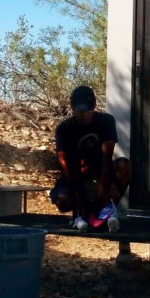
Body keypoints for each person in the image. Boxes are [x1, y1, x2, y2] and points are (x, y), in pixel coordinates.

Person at [50, 85, 130, 233]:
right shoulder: (64, 129)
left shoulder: (106, 121)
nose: (84, 114)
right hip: (76, 174)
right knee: (63, 200)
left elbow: (107, 157)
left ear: (93, 107)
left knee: (124, 165)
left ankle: (106, 209)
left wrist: (105, 186)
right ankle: (79, 213)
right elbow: (65, 164)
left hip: (100, 172)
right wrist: (78, 193)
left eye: (88, 110)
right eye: (80, 111)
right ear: (73, 109)